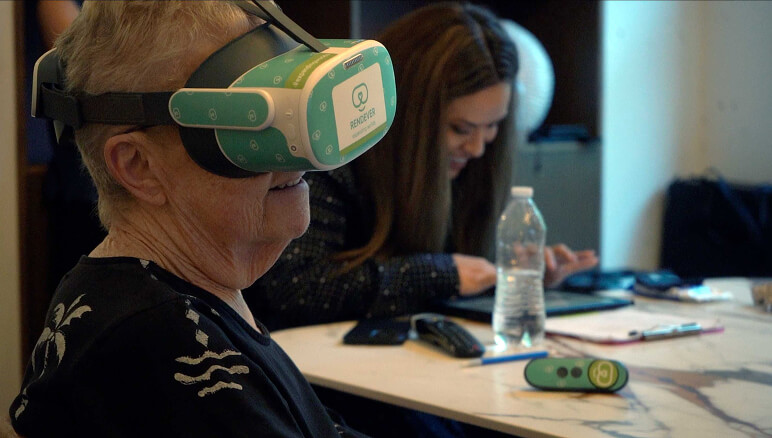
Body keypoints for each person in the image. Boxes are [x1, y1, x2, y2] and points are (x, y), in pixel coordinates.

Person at [8, 2, 364, 437]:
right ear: (138, 165)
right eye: (251, 122)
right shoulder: (154, 339)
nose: (296, 149)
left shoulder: (180, 293)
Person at [245, 2, 598, 331]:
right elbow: (295, 289)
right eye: (460, 129)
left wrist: (514, 275)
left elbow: (465, 269)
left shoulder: (472, 166)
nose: (477, 148)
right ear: (413, 116)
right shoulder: (334, 158)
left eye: (492, 127)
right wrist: (440, 274)